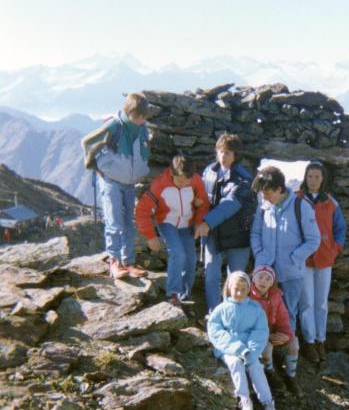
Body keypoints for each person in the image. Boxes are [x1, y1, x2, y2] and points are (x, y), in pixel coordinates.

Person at [81, 92, 151, 279]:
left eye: (143, 117)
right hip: (111, 181)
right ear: (129, 112)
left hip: (128, 182)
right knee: (114, 222)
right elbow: (87, 142)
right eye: (137, 116)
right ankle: (114, 261)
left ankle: (128, 262)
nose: (141, 120)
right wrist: (94, 167)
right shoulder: (114, 126)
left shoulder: (142, 128)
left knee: (128, 222)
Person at [250, 166, 321, 350]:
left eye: (267, 192)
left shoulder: (301, 207)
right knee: (260, 313)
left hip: (290, 274)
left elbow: (313, 240)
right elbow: (255, 233)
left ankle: (287, 355)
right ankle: (266, 356)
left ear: (279, 189)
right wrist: (260, 255)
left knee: (288, 314)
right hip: (265, 272)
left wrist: (294, 258)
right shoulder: (264, 207)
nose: (263, 197)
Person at [135, 155, 209, 305]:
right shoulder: (159, 184)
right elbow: (142, 210)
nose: (183, 184)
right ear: (172, 173)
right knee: (178, 253)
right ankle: (172, 293)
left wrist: (198, 222)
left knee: (191, 259)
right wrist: (150, 236)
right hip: (167, 223)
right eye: (179, 180)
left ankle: (186, 294)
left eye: (187, 181)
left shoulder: (196, 180)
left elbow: (203, 204)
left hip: (187, 224)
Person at [194, 133, 255, 313]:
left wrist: (206, 223)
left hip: (238, 235)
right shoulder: (209, 172)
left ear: (236, 155)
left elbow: (231, 204)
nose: (223, 156)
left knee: (236, 279)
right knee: (211, 274)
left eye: (228, 152)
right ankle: (214, 313)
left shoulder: (244, 179)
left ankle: (233, 314)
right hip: (214, 234)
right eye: (220, 151)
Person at [207, 271, 277, 410]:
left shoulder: (255, 309)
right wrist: (238, 348)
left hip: (250, 350)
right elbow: (215, 330)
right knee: (235, 363)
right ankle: (244, 398)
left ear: (249, 289)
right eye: (236, 289)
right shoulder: (222, 308)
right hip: (228, 348)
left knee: (256, 367)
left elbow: (260, 331)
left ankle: (268, 402)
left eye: (243, 290)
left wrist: (251, 351)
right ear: (229, 288)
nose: (239, 293)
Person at [297, 161, 347, 362]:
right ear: (305, 177)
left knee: (321, 304)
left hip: (325, 258)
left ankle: (321, 340)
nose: (313, 180)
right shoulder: (297, 199)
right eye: (310, 176)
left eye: (317, 177)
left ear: (323, 178)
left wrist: (336, 249)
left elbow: (340, 229)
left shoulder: (331, 203)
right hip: (305, 259)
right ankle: (309, 342)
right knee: (306, 302)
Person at [250, 265, 300, 390]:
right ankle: (270, 373)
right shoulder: (248, 298)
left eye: (268, 279)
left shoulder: (276, 296)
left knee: (294, 342)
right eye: (260, 277)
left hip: (273, 334)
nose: (263, 281)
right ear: (253, 279)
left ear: (272, 282)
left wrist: (285, 334)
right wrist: (266, 336)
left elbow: (283, 317)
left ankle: (291, 376)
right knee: (267, 347)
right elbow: (248, 325)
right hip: (257, 337)